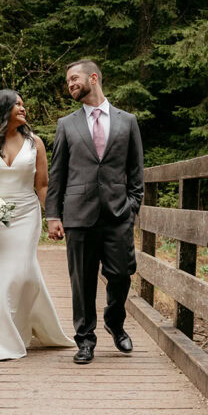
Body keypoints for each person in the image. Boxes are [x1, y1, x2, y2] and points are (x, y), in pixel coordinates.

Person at [0, 89, 74, 361]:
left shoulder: (36, 143)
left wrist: (54, 217)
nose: (23, 108)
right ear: (1, 109)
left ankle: (15, 329)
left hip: (24, 216)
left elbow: (42, 186)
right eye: (16, 104)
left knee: (19, 274)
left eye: (23, 104)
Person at [46, 60, 144, 364]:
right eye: (68, 81)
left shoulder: (127, 121)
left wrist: (131, 209)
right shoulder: (67, 124)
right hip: (78, 215)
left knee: (121, 275)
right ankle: (85, 339)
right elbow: (57, 173)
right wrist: (52, 215)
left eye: (74, 78)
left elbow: (136, 172)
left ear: (93, 77)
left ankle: (115, 322)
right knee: (82, 281)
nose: (70, 84)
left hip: (117, 214)